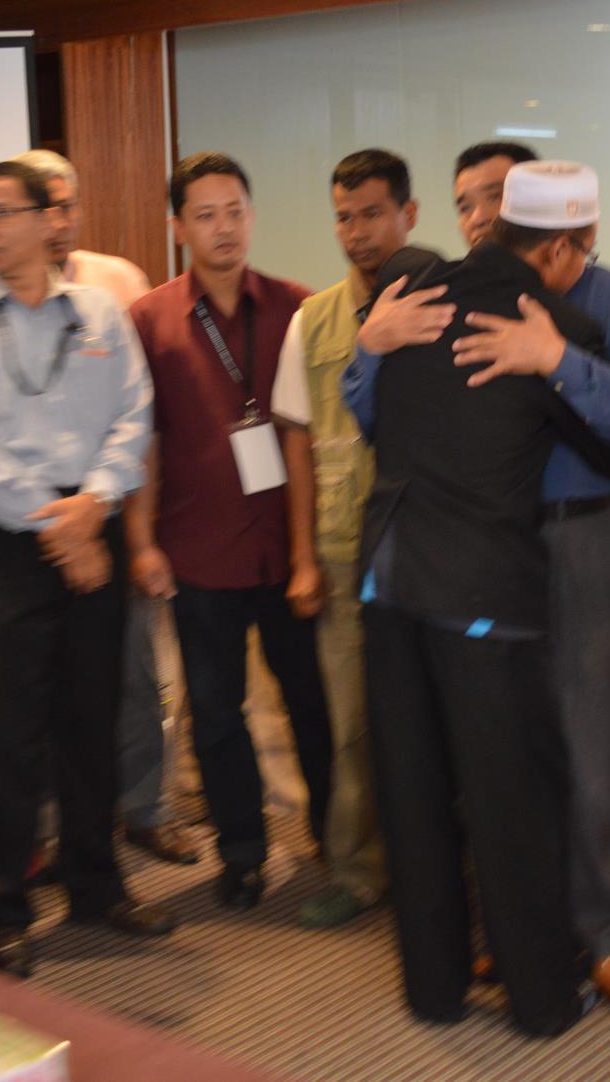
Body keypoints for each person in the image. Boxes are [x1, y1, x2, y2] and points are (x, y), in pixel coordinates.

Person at [345, 162, 610, 1039]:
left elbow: (373, 419)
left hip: (388, 580)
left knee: (413, 791)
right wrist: (559, 363)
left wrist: (371, 347)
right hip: (482, 592)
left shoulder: (402, 299)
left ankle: (433, 991)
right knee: (511, 798)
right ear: (561, 246)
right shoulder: (555, 323)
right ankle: (541, 999)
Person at [0, 160, 172, 979]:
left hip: (90, 525)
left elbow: (135, 415)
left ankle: (97, 885)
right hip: (8, 545)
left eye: (2, 212)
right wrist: (59, 526)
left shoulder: (100, 312)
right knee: (2, 737)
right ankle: (3, 912)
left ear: (47, 220)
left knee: (90, 720)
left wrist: (93, 504)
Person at [442, 149, 610, 1004]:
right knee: (494, 743)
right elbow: (385, 409)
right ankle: (511, 927)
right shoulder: (461, 292)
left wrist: (558, 360)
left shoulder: (608, 299)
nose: (569, 260)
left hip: (581, 536)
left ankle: (609, 931)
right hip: (484, 541)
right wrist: (370, 350)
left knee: (595, 738)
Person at [128, 152, 332, 910]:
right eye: (206, 215)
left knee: (312, 703)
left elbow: (311, 435)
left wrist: (309, 555)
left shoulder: (297, 307)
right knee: (216, 715)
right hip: (197, 549)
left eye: (235, 211)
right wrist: (143, 542)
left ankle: (334, 837)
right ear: (179, 227)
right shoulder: (149, 320)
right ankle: (243, 853)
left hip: (286, 547)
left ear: (252, 215)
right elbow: (142, 441)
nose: (224, 228)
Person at [271, 148, 419, 928]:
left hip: (428, 545)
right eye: (344, 217)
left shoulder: (442, 302)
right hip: (341, 545)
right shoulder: (312, 320)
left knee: (433, 717)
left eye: (371, 214)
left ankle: (437, 869)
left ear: (408, 215)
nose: (357, 232)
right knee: (352, 724)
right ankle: (360, 872)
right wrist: (301, 556)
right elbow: (295, 441)